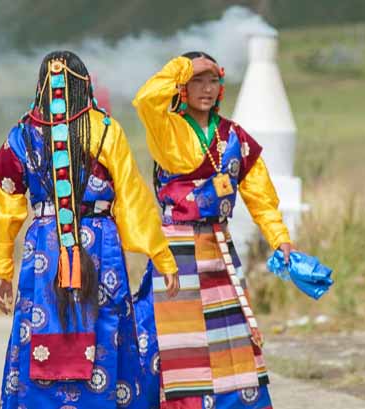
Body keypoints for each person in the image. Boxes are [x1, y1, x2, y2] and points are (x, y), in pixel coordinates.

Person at [0, 50, 179, 409]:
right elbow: (132, 197)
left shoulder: (21, 135)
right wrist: (161, 256)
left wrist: (2, 270)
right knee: (105, 327)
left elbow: (6, 207)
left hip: (45, 247)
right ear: (85, 82)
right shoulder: (105, 129)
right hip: (98, 241)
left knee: (40, 326)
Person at [132, 51, 295, 409]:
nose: (206, 88)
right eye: (197, 81)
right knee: (173, 346)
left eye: (212, 80)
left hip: (219, 250)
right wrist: (183, 66)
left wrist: (279, 236)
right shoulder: (167, 128)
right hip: (175, 251)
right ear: (182, 88)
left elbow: (260, 194)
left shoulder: (235, 137)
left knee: (231, 345)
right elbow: (145, 98)